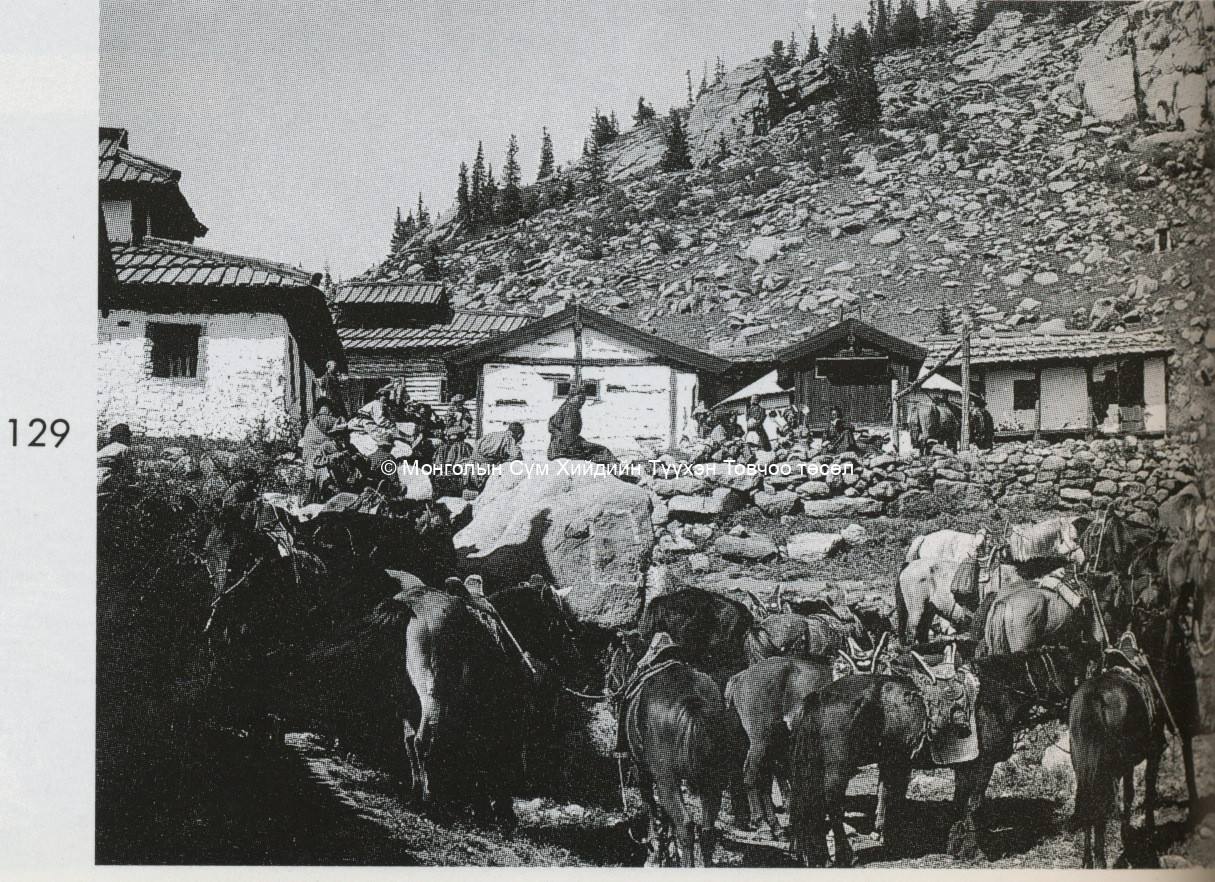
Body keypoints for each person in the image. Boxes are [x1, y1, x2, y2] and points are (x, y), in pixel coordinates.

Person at [301, 409, 357, 504]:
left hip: (345, 480)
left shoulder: (349, 447)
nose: (345, 439)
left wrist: (355, 458)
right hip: (331, 480)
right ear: (336, 437)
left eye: (346, 436)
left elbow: (357, 456)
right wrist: (334, 457)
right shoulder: (326, 446)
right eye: (341, 437)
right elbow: (316, 461)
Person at [547, 391, 617, 464]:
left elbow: (553, 425)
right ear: (572, 398)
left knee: (596, 452)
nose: (581, 401)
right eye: (579, 398)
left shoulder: (567, 408)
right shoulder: (569, 409)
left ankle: (617, 468)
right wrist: (564, 438)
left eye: (583, 399)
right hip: (565, 447)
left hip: (561, 446)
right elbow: (560, 430)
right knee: (602, 451)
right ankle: (619, 470)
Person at [97, 423, 134, 491]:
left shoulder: (105, 449)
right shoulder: (124, 448)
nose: (129, 438)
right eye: (128, 436)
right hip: (107, 483)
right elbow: (130, 470)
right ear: (122, 437)